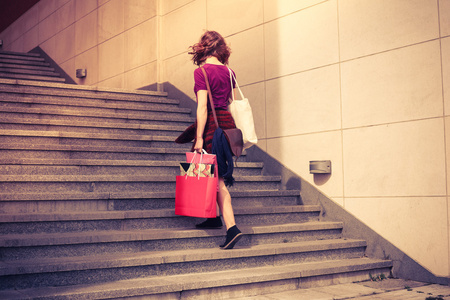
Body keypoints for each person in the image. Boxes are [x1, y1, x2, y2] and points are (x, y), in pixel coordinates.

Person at [188, 30, 243, 250]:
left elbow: (202, 107)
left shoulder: (201, 72)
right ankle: (211, 217)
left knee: (216, 178)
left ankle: (232, 228)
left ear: (204, 46)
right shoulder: (230, 72)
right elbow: (230, 102)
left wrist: (199, 137)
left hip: (212, 127)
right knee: (209, 172)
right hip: (227, 126)